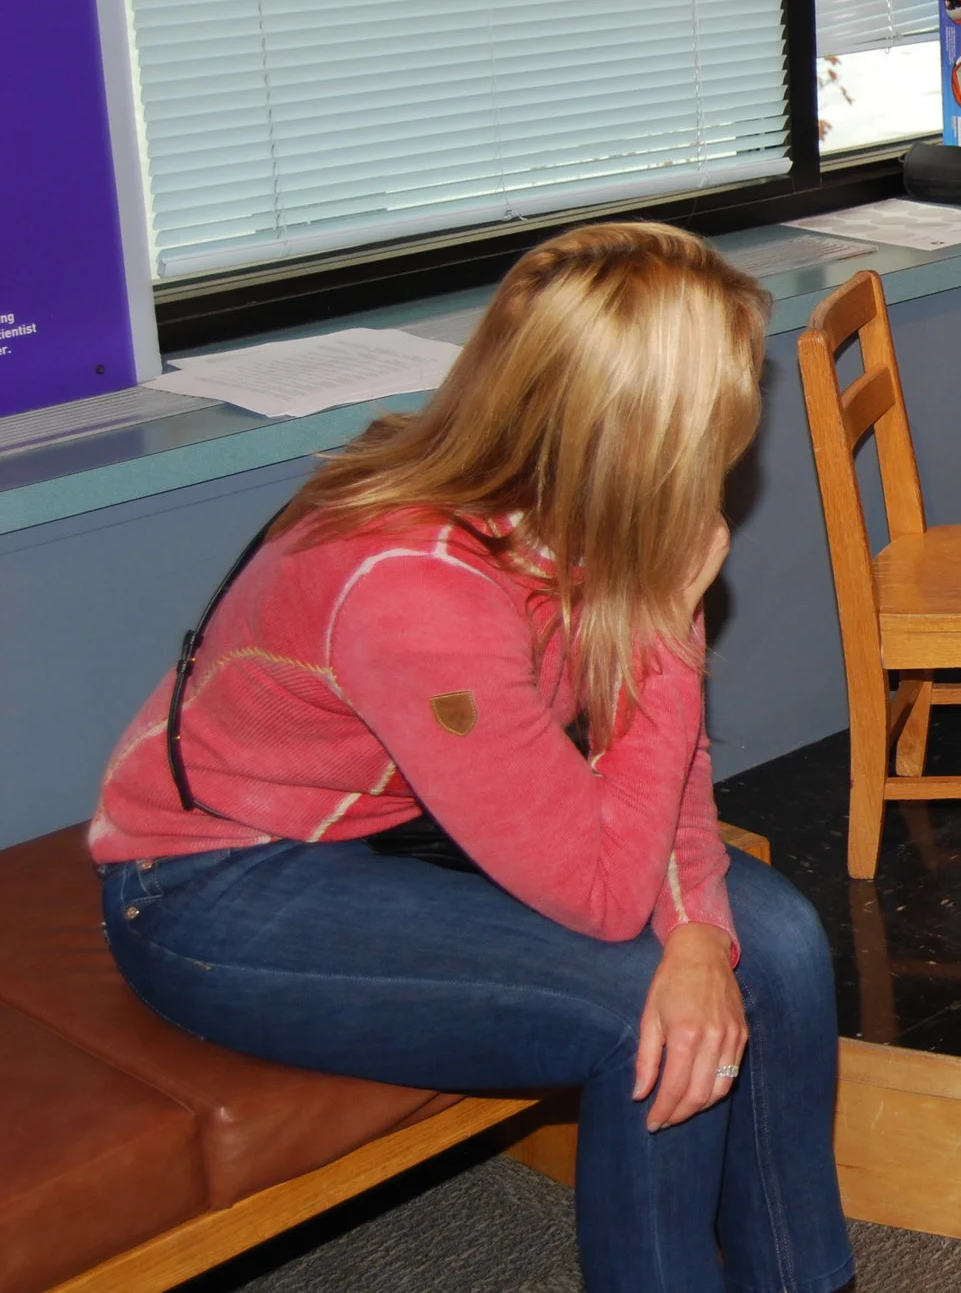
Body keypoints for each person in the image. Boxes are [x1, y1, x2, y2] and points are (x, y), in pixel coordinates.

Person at [89, 223, 857, 1293]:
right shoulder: (415, 587)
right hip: (212, 883)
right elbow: (604, 894)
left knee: (775, 943)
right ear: (641, 431)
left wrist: (697, 936)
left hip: (395, 822)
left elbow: (661, 772)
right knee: (644, 1015)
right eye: (720, 406)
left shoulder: (584, 505)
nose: (733, 432)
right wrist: (668, 639)